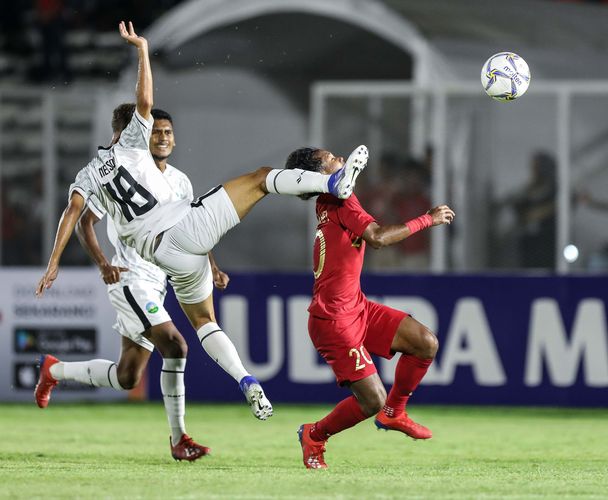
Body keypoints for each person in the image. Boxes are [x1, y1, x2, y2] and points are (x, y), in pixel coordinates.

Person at [34, 22, 367, 430]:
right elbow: (146, 99)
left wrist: (53, 263)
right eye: (152, 128)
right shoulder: (133, 146)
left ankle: (246, 380)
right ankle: (332, 182)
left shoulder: (88, 176)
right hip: (169, 244)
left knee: (183, 336)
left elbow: (72, 212)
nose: (159, 134)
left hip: (169, 257)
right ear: (130, 133)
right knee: (262, 178)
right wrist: (143, 51)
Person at [34, 108, 222, 461]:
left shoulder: (180, 181)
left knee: (127, 376)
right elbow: (84, 220)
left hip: (158, 280)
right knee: (176, 346)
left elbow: (192, 228)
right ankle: (180, 438)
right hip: (130, 277)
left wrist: (211, 264)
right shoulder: (122, 175)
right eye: (156, 132)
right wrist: (103, 263)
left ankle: (53, 370)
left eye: (168, 132)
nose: (162, 137)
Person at [285, 147, 455, 470]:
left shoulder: (330, 201)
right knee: (371, 400)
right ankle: (314, 435)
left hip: (356, 306)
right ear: (320, 176)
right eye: (331, 158)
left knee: (424, 343)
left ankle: (395, 413)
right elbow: (376, 238)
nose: (339, 158)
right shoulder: (337, 200)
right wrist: (427, 220)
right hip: (334, 319)